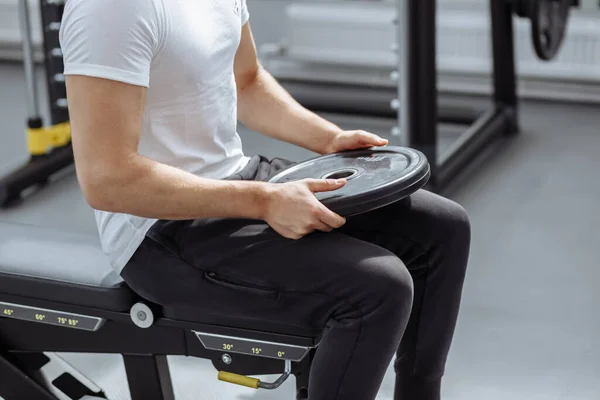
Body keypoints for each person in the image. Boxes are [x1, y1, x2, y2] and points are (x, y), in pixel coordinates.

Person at [59, 0, 470, 399]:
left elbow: (247, 81)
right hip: (158, 231)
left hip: (238, 177)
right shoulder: (110, 9)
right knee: (378, 288)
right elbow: (108, 180)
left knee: (441, 229)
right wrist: (262, 201)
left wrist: (329, 140)